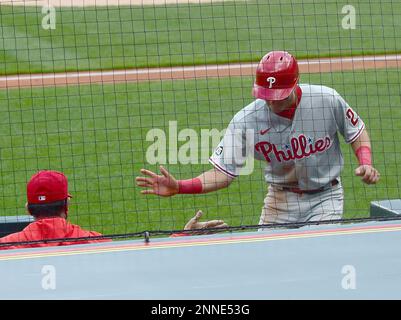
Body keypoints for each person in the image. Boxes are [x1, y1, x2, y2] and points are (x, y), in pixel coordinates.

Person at [136, 51, 380, 226]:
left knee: (318, 258)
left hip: (326, 197)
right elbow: (222, 174)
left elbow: (356, 132)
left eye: (279, 96)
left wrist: (366, 161)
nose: (272, 101)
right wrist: (180, 187)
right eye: (267, 95)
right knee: (267, 261)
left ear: (295, 85)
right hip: (280, 199)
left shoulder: (326, 99)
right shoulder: (247, 120)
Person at [0, 170, 227, 250]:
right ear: (67, 205)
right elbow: (143, 258)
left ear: (29, 209)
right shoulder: (91, 242)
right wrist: (182, 236)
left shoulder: (7, 246)